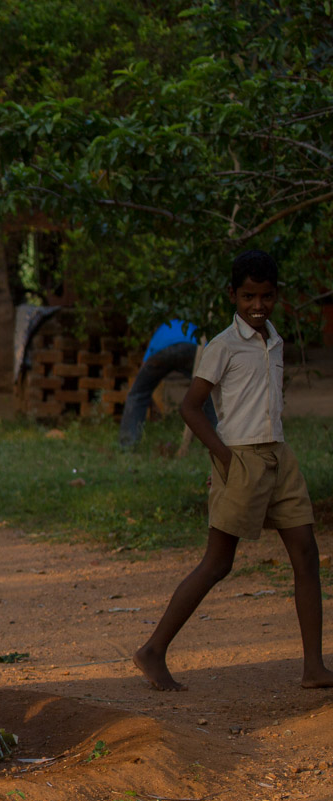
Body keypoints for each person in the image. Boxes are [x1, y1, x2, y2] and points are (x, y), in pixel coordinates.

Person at [133, 250, 333, 692]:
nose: (257, 305)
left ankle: (314, 668)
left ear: (276, 295)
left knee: (306, 555)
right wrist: (225, 459)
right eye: (248, 296)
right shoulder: (223, 346)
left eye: (266, 296)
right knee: (218, 563)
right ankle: (152, 650)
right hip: (240, 459)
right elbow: (191, 407)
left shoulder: (275, 341)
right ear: (233, 295)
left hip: (280, 457)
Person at [117, 319, 217, 450]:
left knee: (138, 393)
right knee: (208, 392)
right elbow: (209, 359)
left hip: (162, 350)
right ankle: (214, 443)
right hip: (191, 348)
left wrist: (144, 388)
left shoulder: (162, 329)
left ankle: (128, 443)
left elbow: (144, 365)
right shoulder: (195, 328)